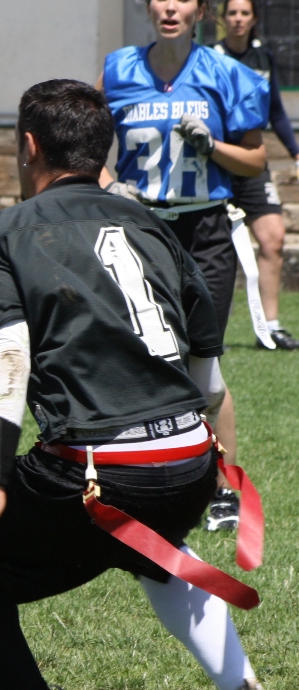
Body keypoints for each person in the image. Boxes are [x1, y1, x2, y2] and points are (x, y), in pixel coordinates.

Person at [0, 79, 284, 690]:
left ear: (27, 147)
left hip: (101, 475)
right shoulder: (153, 227)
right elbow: (207, 374)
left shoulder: (3, 236)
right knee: (155, 548)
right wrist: (204, 460)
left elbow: (5, 355)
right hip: (187, 461)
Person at [98, 0, 269, 534]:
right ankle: (139, 478)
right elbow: (90, 151)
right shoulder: (118, 68)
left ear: (201, 10)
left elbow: (256, 158)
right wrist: (110, 189)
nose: (170, 6)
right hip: (141, 229)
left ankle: (224, 487)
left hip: (204, 231)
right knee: (138, 356)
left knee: (204, 362)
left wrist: (210, 145)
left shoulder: (227, 72)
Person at [215, 0, 299, 350]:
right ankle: (197, 329)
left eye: (244, 13)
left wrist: (295, 152)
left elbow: (276, 111)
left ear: (253, 19)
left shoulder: (264, 59)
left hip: (252, 163)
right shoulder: (210, 57)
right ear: (222, 19)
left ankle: (272, 327)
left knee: (273, 237)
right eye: (232, 13)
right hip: (215, 162)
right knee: (209, 249)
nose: (237, 19)